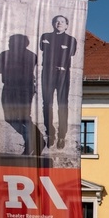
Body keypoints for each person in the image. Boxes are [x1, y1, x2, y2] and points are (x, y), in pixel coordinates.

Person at [0, 33, 39, 155]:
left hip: (23, 88)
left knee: (24, 117)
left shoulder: (30, 55)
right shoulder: (6, 54)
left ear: (23, 44)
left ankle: (31, 143)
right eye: (10, 42)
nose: (11, 44)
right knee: (10, 118)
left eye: (13, 42)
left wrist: (7, 66)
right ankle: (36, 139)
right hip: (12, 87)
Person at [39, 14, 77, 150]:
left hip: (63, 75)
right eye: (56, 21)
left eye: (62, 22)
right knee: (46, 104)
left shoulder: (71, 40)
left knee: (62, 104)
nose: (59, 23)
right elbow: (44, 49)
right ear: (53, 24)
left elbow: (71, 53)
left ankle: (62, 135)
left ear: (67, 25)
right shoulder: (45, 37)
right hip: (47, 75)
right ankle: (49, 133)